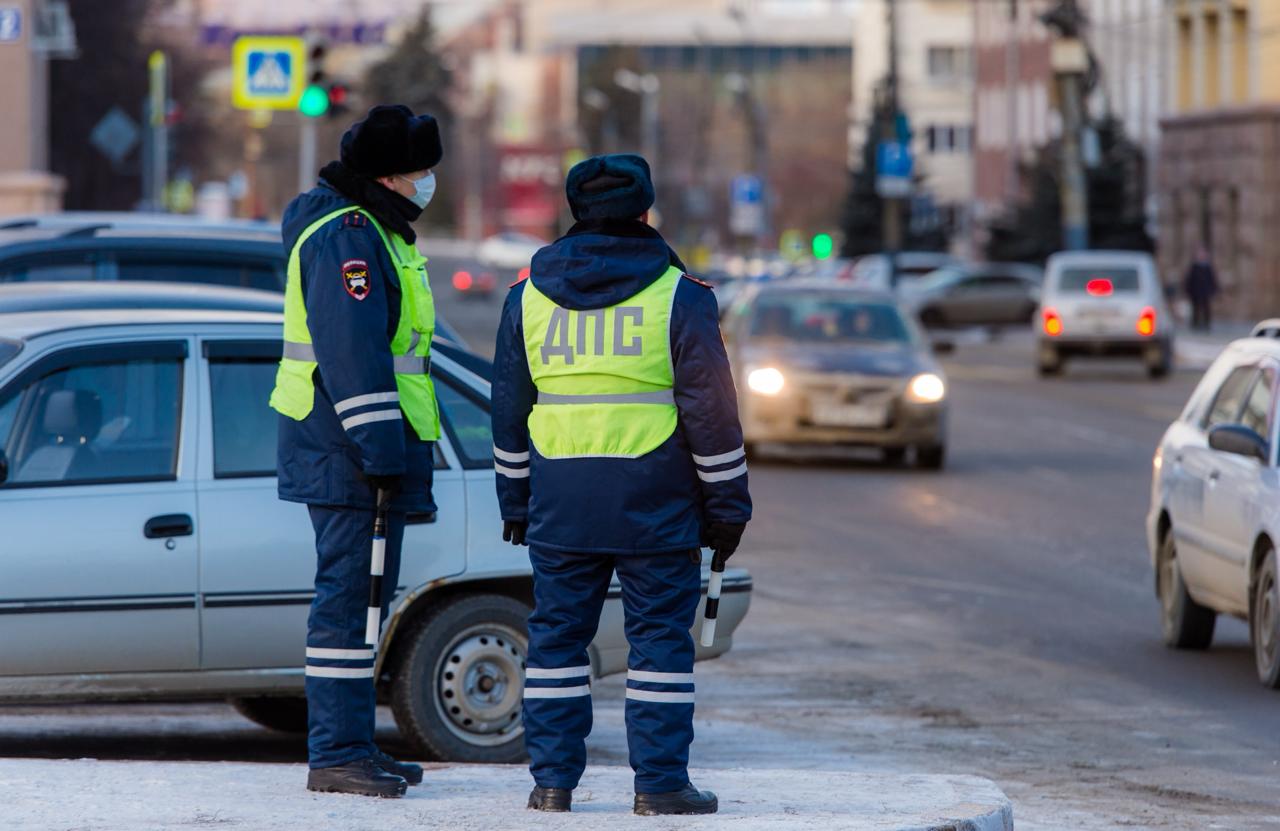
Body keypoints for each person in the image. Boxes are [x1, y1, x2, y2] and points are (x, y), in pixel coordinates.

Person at [491, 154, 752, 816]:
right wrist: (727, 508)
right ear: (645, 214)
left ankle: (552, 785)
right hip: (654, 503)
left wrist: (515, 500)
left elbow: (509, 411)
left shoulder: (527, 299)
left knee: (554, 642)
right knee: (660, 644)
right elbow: (712, 415)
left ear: (576, 213)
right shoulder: (681, 298)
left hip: (561, 502)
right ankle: (660, 784)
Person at [268, 105, 443, 798]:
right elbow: (353, 354)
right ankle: (336, 751)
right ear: (391, 175)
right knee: (347, 604)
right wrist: (380, 448)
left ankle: (355, 744)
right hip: (349, 453)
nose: (429, 183)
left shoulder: (374, 229)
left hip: (359, 451)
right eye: (422, 171)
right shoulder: (348, 235)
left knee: (367, 600)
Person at [1184, 246, 1218, 331]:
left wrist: (1213, 289)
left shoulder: (1207, 267)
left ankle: (1206, 324)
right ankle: (1195, 323)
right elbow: (1190, 279)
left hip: (1205, 291)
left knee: (1206, 308)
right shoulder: (1194, 266)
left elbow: (1212, 279)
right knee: (1195, 308)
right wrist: (1188, 290)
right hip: (1195, 291)